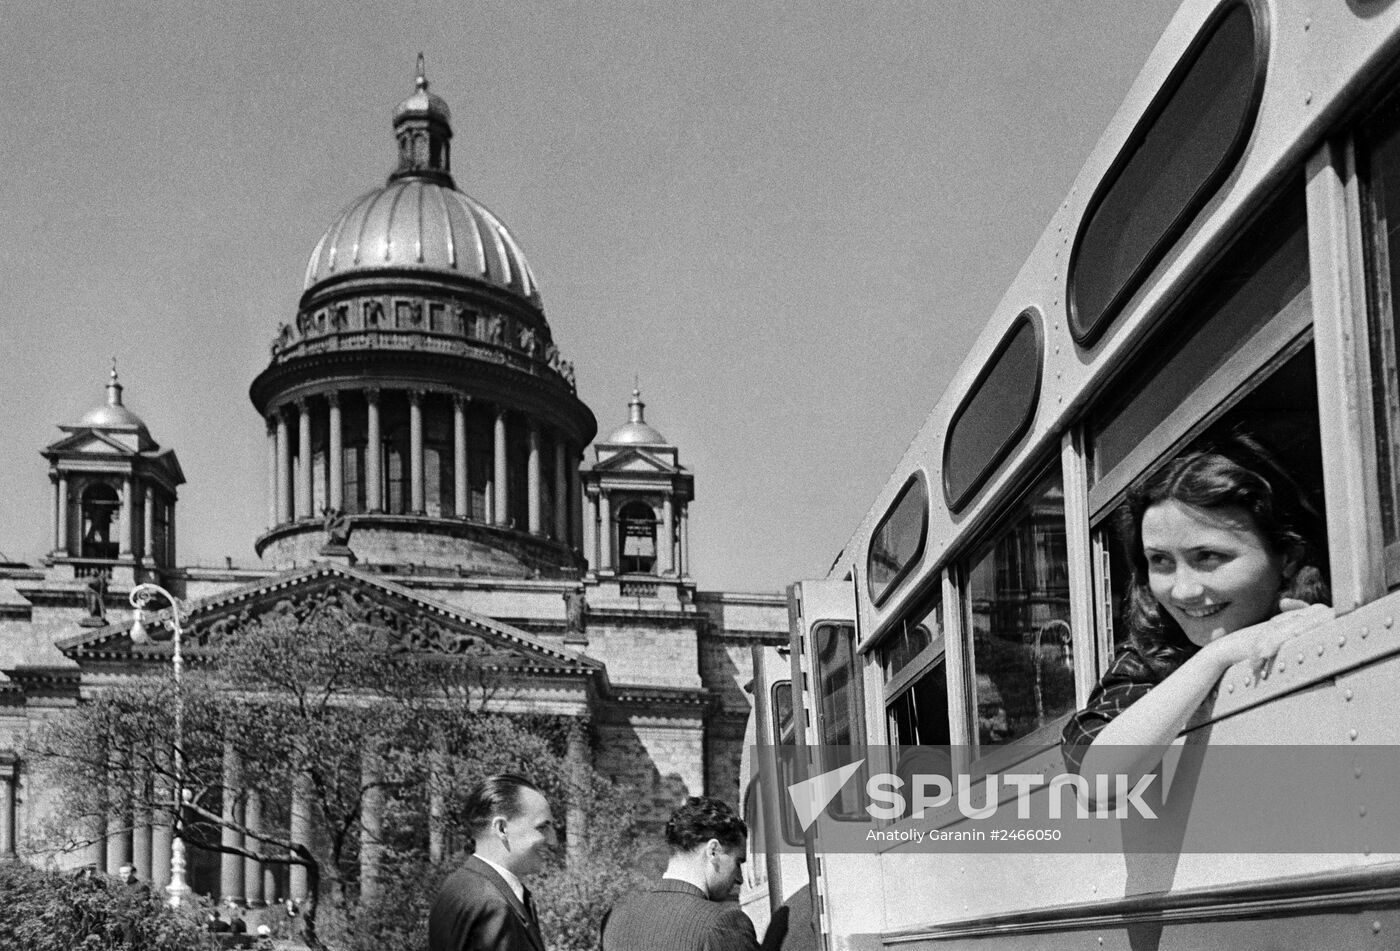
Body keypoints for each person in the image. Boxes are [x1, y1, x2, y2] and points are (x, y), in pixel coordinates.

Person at [1062, 434, 1331, 782]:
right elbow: (1096, 780)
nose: (1184, 590)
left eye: (1208, 556)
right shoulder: (1145, 657)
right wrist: (1219, 654)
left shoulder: (1328, 609)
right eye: (1160, 561)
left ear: (1288, 558)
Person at [602, 796, 789, 951]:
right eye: (738, 862)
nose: (739, 878)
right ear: (713, 851)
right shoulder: (722, 923)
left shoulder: (616, 917)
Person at [428, 774, 557, 951]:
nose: (553, 840)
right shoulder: (495, 906)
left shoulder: (455, 887)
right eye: (542, 827)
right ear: (502, 829)